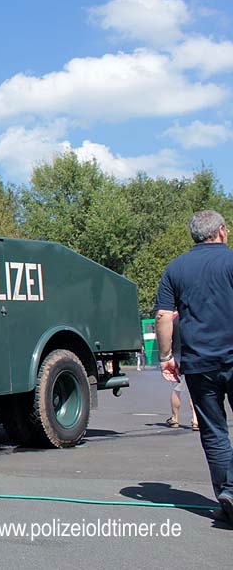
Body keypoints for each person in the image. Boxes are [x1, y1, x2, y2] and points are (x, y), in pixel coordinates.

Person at [155, 209, 233, 523]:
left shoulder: (176, 268)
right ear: (223, 231)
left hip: (199, 364)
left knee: (214, 433)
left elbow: (163, 316)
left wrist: (165, 357)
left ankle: (227, 498)